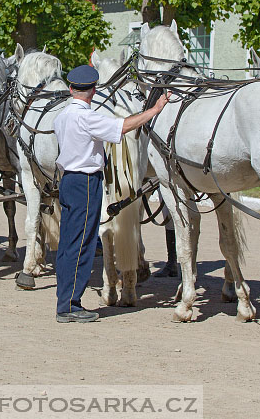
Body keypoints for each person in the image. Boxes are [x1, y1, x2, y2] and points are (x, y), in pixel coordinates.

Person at [52, 64, 169, 323]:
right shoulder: (87, 117)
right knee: (82, 244)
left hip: (69, 180)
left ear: (71, 89)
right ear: (92, 91)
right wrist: (154, 110)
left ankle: (65, 300)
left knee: (68, 243)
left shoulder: (61, 116)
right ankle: (70, 305)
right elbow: (123, 127)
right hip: (85, 182)